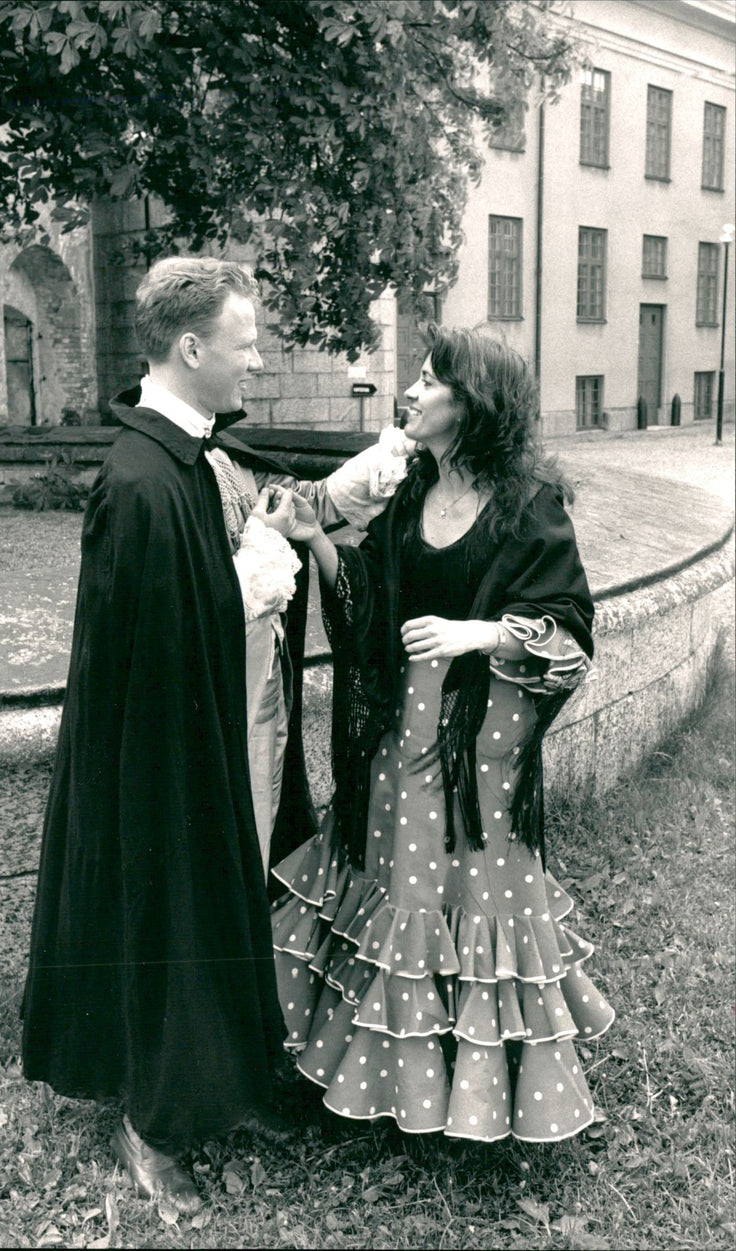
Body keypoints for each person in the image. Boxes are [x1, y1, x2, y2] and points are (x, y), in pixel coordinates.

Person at [21, 256, 410, 1211]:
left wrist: (257, 554)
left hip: (213, 738)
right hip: (159, 760)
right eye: (244, 344)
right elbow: (140, 649)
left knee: (230, 903)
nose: (258, 360)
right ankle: (153, 1126)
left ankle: (226, 1082)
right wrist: (248, 580)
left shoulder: (189, 456)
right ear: (191, 348)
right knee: (168, 922)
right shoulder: (139, 478)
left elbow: (196, 594)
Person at [272, 326, 615, 1143]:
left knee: (474, 906)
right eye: (417, 379)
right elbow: (363, 602)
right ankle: (404, 1085)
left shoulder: (530, 505)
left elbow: (567, 632)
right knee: (403, 894)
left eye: (429, 382)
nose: (411, 392)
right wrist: (316, 536)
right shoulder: (408, 488)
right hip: (400, 736)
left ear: (474, 405)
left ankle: (481, 1089)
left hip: (476, 750)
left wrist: (480, 634)